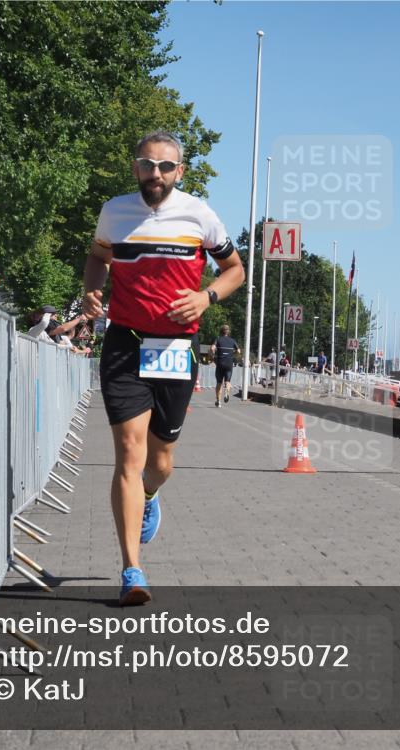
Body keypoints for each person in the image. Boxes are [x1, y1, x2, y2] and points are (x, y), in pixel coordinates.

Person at [82, 131, 245, 606]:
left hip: (176, 347)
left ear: (180, 171)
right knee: (128, 455)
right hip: (125, 343)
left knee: (160, 462)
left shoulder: (200, 215)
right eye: (147, 165)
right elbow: (98, 257)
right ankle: (132, 570)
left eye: (166, 166)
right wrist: (95, 289)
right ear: (135, 168)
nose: (156, 174)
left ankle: (151, 494)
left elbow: (235, 268)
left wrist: (206, 296)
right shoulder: (115, 211)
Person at [211, 324, 239, 408]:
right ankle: (227, 391)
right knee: (228, 381)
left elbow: (212, 348)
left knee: (219, 383)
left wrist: (212, 356)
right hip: (229, 363)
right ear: (228, 332)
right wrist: (233, 354)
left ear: (221, 331)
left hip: (220, 363)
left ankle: (218, 401)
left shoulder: (218, 339)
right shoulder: (232, 340)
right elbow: (239, 351)